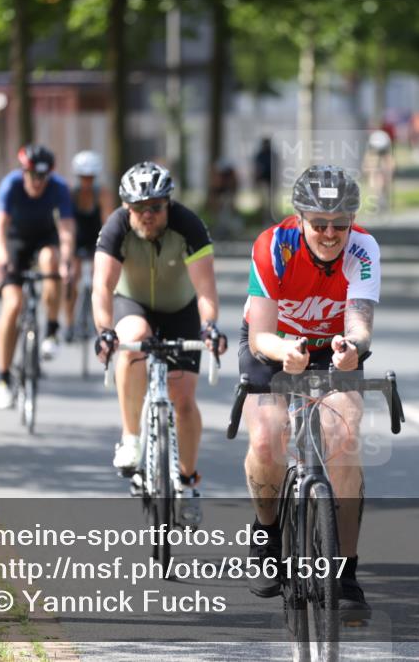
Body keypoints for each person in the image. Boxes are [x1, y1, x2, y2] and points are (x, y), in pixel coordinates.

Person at [240, 164, 380, 623]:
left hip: (332, 350)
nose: (329, 233)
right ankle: (267, 536)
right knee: (266, 435)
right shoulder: (273, 246)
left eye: (340, 223)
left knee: (346, 433)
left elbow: (359, 322)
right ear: (300, 217)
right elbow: (260, 333)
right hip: (274, 345)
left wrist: (351, 349)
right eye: (319, 223)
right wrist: (287, 352)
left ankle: (346, 571)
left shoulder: (363, 249)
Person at [92, 161, 228, 526]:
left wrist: (210, 326)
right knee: (133, 337)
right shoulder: (116, 228)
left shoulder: (188, 225)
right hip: (132, 304)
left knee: (183, 400)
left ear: (168, 204)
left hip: (180, 309)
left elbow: (205, 290)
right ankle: (131, 438)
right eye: (139, 208)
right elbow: (102, 287)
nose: (148, 215)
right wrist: (105, 330)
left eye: (156, 207)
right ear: (126, 208)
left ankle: (186, 482)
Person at [0, 144, 75, 410]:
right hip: (16, 243)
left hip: (44, 240)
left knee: (51, 261)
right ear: (23, 171)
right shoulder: (10, 185)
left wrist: (67, 260)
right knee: (13, 304)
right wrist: (3, 262)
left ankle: (51, 331)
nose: (37, 182)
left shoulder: (59, 187)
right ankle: (4, 380)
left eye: (43, 177)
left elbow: (66, 229)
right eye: (32, 176)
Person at [64, 150, 113, 342]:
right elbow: (67, 223)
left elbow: (107, 223)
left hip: (97, 239)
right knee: (70, 278)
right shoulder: (70, 194)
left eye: (90, 178)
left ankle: (97, 320)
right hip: (77, 239)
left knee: (99, 278)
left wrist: (104, 251)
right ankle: (68, 323)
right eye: (83, 178)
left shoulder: (102, 194)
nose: (87, 182)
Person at [362, 129, 395, 213]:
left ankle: (381, 199)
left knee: (381, 178)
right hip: (379, 146)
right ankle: (377, 199)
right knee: (373, 177)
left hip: (382, 146)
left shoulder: (380, 138)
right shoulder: (373, 146)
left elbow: (390, 161)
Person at [253, 138, 276, 227]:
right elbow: (257, 168)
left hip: (270, 181)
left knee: (270, 203)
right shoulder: (260, 155)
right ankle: (262, 219)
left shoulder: (271, 155)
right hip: (263, 181)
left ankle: (269, 219)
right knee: (262, 201)